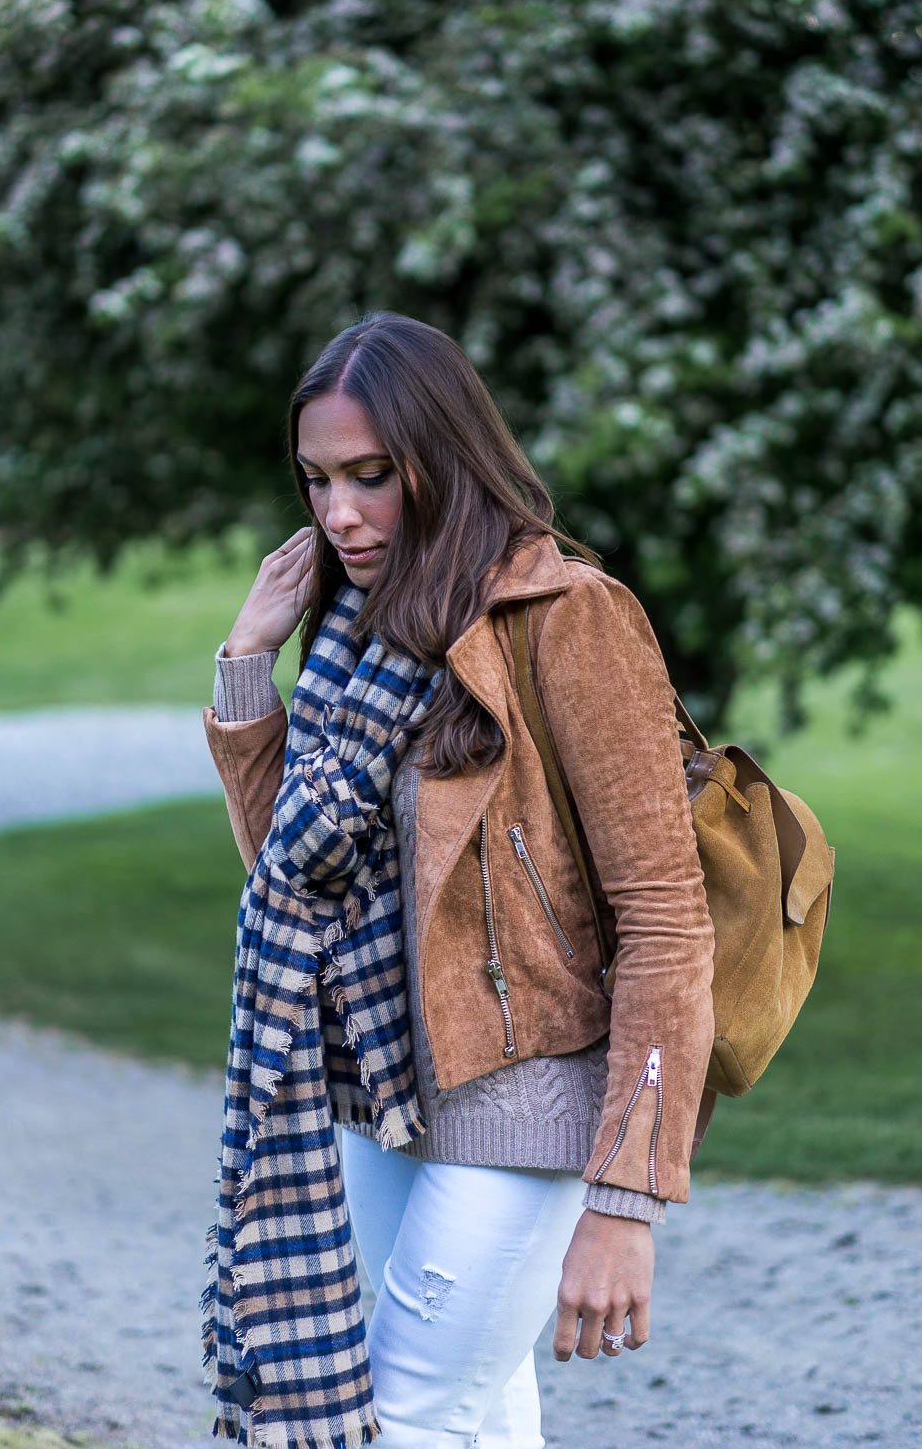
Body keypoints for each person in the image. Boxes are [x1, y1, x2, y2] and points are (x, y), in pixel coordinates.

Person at [201, 312, 715, 1449]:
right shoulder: (352, 630)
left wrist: (625, 1201)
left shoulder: (567, 617)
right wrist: (248, 668)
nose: (340, 515)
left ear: (443, 457)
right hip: (385, 1095)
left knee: (410, 1415)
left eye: (371, 477)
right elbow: (294, 879)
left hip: (530, 1101)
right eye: (318, 480)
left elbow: (667, 922)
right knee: (478, 1414)